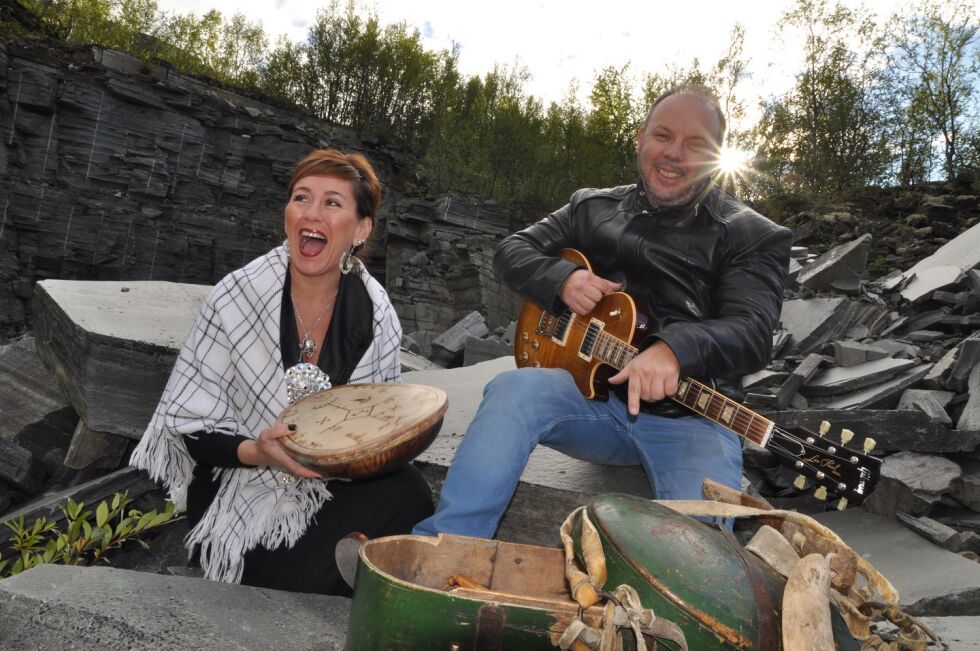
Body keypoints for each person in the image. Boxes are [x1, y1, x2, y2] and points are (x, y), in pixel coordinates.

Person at [413, 85, 792, 539]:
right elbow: (512, 250)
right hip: (593, 404)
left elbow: (752, 331)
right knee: (513, 389)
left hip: (692, 420)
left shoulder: (752, 233)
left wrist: (673, 349)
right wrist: (562, 279)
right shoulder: (592, 207)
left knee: (698, 559)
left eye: (695, 145)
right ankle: (446, 546)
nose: (674, 154)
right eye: (663, 136)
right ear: (640, 138)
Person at [132, 148, 433, 595]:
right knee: (308, 571)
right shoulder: (235, 297)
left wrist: (347, 453)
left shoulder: (375, 313)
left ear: (361, 228)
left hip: (324, 483)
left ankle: (332, 569)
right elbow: (190, 428)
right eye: (301, 198)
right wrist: (258, 451)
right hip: (233, 483)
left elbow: (378, 428)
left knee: (409, 492)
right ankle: (321, 572)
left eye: (332, 203)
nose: (312, 213)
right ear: (287, 213)